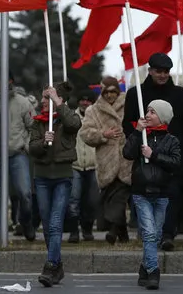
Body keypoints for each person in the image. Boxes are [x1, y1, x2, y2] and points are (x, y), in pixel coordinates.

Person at [123, 52, 183, 251]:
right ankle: (150, 234)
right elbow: (128, 124)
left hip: (172, 155)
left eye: (166, 72)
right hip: (145, 156)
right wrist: (137, 142)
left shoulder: (181, 95)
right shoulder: (135, 94)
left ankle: (168, 234)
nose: (163, 75)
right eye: (159, 71)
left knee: (172, 194)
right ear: (150, 71)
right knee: (145, 196)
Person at [124, 100, 181, 290]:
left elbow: (175, 163)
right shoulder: (141, 135)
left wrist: (153, 154)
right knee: (149, 234)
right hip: (141, 194)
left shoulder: (172, 140)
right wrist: (136, 132)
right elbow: (127, 153)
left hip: (162, 194)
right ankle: (154, 273)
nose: (147, 115)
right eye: (147, 111)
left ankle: (144, 269)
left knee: (155, 236)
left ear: (162, 117)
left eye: (152, 112)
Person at [30, 82, 81, 287]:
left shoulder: (68, 116)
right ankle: (57, 265)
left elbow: (73, 125)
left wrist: (58, 103)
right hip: (42, 177)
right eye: (43, 97)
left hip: (62, 177)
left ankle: (50, 266)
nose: (42, 101)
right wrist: (43, 142)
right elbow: (31, 147)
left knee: (55, 222)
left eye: (46, 97)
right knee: (47, 223)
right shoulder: (38, 122)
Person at [79, 77, 132, 245]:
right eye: (106, 92)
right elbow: (85, 133)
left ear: (118, 91)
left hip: (126, 159)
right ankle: (123, 234)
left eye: (113, 92)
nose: (110, 95)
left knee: (120, 197)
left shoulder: (130, 105)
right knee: (110, 198)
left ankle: (113, 231)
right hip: (106, 161)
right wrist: (103, 135)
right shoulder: (93, 111)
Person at [0, 69, 36, 242]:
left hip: (17, 154)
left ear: (12, 81)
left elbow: (33, 127)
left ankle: (26, 222)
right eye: (1, 80)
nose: (5, 83)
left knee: (25, 193)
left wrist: (27, 146)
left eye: (8, 79)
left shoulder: (23, 103)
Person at [67, 90, 98, 243]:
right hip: (76, 165)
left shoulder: (97, 118)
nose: (85, 103)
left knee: (91, 201)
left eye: (88, 100)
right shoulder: (72, 117)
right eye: (82, 100)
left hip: (94, 165)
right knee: (73, 200)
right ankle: (74, 231)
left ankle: (87, 229)